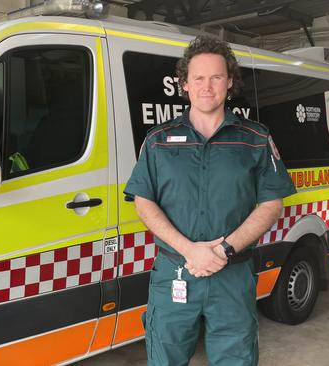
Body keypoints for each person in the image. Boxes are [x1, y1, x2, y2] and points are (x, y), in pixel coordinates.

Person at [124, 35, 296, 365]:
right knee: (164, 358)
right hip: (175, 271)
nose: (207, 86)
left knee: (236, 358)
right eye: (198, 78)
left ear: (229, 82)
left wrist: (222, 250)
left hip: (232, 275)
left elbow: (272, 204)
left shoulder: (255, 139)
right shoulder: (158, 141)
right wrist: (191, 250)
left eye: (216, 77)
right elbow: (143, 201)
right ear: (185, 84)